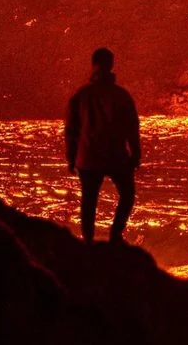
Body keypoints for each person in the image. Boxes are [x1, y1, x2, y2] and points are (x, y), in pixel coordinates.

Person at [65, 47, 141, 244]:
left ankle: (88, 241)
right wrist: (135, 154)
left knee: (89, 200)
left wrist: (71, 156)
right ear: (111, 65)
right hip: (116, 156)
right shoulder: (121, 95)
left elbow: (71, 129)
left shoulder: (81, 95)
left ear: (93, 65)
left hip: (88, 157)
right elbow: (132, 127)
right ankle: (115, 235)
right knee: (127, 194)